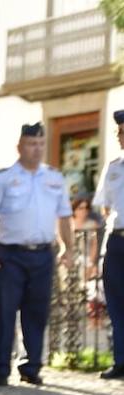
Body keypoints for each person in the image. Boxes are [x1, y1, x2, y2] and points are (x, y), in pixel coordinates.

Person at [0, 123, 75, 386]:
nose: (37, 149)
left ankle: (31, 366)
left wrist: (68, 248)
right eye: (31, 144)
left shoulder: (54, 178)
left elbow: (65, 217)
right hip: (9, 255)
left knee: (37, 312)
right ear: (19, 146)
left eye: (41, 144)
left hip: (42, 254)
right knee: (3, 313)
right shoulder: (2, 178)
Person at [92, 109, 124, 379]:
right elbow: (104, 208)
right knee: (116, 303)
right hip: (116, 241)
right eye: (119, 133)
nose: (121, 137)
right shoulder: (113, 168)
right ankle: (121, 360)